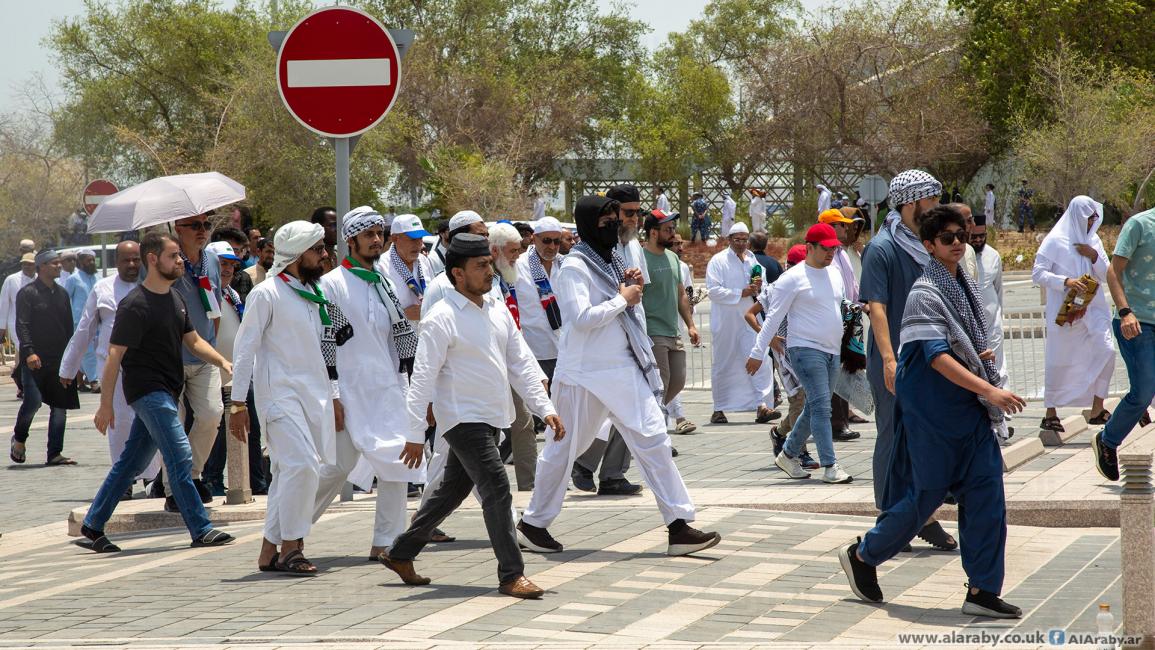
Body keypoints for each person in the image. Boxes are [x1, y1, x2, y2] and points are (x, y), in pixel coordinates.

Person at [839, 205, 1025, 619]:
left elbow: (957, 344)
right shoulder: (925, 292)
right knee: (924, 497)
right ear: (929, 245)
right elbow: (936, 357)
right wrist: (991, 391)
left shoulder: (964, 285)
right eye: (947, 238)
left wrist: (979, 358)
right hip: (933, 410)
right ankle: (863, 554)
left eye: (961, 235)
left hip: (966, 407)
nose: (958, 242)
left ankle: (982, 589)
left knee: (987, 493)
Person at [518, 195, 721, 558]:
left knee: (654, 439)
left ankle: (679, 525)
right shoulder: (575, 267)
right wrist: (622, 298)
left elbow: (623, 307)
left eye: (617, 217)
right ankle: (533, 525)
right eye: (607, 219)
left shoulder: (611, 260)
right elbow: (580, 318)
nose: (615, 224)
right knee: (562, 449)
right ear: (588, 224)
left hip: (623, 368)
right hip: (584, 373)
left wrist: (628, 287)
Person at [380, 233, 561, 599]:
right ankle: (511, 574)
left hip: (494, 416)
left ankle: (400, 552)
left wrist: (546, 408)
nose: (489, 271)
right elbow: (423, 379)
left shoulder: (496, 310)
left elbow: (521, 363)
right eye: (480, 266)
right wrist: (415, 434)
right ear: (457, 274)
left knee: (453, 491)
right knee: (496, 488)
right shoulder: (440, 317)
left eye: (489, 264)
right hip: (462, 419)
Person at [78, 232, 237, 553]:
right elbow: (113, 355)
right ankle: (201, 527)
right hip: (149, 393)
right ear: (153, 259)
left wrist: (222, 360)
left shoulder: (174, 299)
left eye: (180, 256)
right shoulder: (134, 304)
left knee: (131, 463)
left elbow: (192, 341)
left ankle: (93, 525)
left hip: (167, 388)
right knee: (180, 456)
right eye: (173, 256)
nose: (180, 261)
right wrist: (105, 405)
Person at [313, 207, 424, 560]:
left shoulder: (385, 283)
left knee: (398, 463)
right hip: (347, 391)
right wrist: (332, 396)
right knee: (336, 467)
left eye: (380, 233)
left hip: (387, 390)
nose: (376, 240)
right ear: (351, 241)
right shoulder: (331, 285)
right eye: (369, 235)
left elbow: (398, 338)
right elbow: (326, 343)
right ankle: (287, 532)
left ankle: (387, 542)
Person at [231, 221, 341, 574]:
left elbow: (328, 354)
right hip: (278, 397)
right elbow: (244, 350)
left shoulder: (315, 295)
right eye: (318, 249)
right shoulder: (267, 294)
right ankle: (292, 547)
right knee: (302, 466)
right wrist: (236, 404)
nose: (324, 256)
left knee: (286, 474)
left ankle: (268, 551)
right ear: (296, 255)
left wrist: (335, 396)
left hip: (313, 398)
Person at [860, 169, 958, 551]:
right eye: (931, 201)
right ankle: (890, 515)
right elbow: (877, 307)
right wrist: (888, 359)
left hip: (928, 355)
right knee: (893, 434)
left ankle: (921, 512)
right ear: (912, 203)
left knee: (925, 435)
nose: (936, 208)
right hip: (895, 358)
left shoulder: (927, 246)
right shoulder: (882, 248)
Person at [747, 224, 852, 484]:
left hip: (832, 350)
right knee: (822, 408)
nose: (831, 253)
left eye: (834, 248)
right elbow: (772, 318)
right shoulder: (792, 277)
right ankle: (830, 465)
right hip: (804, 349)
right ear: (810, 248)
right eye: (826, 248)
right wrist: (757, 351)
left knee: (815, 406)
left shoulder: (835, 274)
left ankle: (788, 453)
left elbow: (839, 307)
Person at [60, 242, 161, 487]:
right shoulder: (103, 288)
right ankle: (123, 481)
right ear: (116, 261)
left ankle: (154, 478)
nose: (132, 265)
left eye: (136, 259)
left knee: (153, 422)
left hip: (149, 369)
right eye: (126, 260)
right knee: (119, 424)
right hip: (114, 369)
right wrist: (68, 368)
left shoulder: (154, 286)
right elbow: (85, 330)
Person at [572, 185, 647, 496]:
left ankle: (609, 471)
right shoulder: (580, 261)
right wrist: (622, 298)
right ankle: (584, 465)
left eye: (634, 214)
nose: (630, 220)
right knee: (575, 436)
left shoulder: (631, 247)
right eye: (625, 214)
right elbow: (584, 315)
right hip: (596, 358)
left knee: (638, 421)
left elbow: (636, 296)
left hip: (631, 344)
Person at [1032, 196, 1114, 433]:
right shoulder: (1055, 241)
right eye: (1087, 220)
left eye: (1093, 220)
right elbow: (1038, 273)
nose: (1090, 225)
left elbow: (1106, 272)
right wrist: (1066, 281)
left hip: (1094, 306)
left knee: (1106, 350)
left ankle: (1097, 408)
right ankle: (1051, 413)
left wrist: (1093, 256)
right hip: (1065, 310)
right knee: (1060, 359)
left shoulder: (1094, 241)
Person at [200, 241, 267, 498]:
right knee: (218, 432)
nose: (227, 269)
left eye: (231, 265)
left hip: (239, 372)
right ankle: (212, 480)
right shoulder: (206, 292)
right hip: (215, 372)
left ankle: (256, 481)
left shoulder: (231, 294)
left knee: (251, 428)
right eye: (222, 264)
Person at [747, 244, 819, 471]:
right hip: (784, 355)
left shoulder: (813, 284)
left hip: (807, 349)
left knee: (808, 402)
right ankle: (799, 451)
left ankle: (779, 433)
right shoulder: (778, 287)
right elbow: (749, 314)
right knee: (800, 401)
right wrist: (768, 339)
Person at [169, 214, 224, 508]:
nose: (203, 231)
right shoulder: (166, 258)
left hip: (204, 356)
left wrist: (210, 344)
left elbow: (214, 308)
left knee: (212, 415)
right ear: (178, 229)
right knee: (173, 425)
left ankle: (191, 474)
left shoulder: (212, 261)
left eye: (206, 225)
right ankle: (171, 489)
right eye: (195, 226)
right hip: (171, 358)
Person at [1098, 206, 1155, 480]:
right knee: (1143, 391)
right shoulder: (1140, 224)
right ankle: (1108, 440)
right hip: (1137, 321)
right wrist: (1124, 312)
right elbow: (1113, 271)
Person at [9, 250, 79, 466]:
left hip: (60, 358)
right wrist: (29, 352)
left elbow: (69, 327)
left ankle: (55, 453)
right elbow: (22, 324)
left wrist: (73, 358)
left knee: (60, 406)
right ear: (41, 267)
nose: (59, 266)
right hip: (35, 360)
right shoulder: (27, 293)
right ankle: (19, 438)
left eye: (59, 263)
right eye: (53, 263)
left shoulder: (62, 294)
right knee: (33, 401)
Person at [705, 222, 775, 424]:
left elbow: (765, 289)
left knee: (760, 358)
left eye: (745, 240)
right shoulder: (718, 261)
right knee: (724, 363)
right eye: (738, 240)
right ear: (729, 240)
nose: (742, 244)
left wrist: (759, 287)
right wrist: (740, 293)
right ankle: (719, 408)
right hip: (726, 322)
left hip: (750, 319)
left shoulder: (752, 260)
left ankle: (762, 405)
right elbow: (713, 291)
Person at [641, 209, 701, 440]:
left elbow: (681, 295)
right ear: (653, 233)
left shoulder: (673, 258)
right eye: (668, 230)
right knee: (662, 382)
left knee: (678, 380)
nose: (673, 233)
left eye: (673, 228)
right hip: (651, 332)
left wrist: (691, 325)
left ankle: (646, 418)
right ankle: (658, 436)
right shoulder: (640, 257)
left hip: (672, 331)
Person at [818, 209, 862, 442]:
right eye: (842, 226)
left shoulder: (842, 254)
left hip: (847, 321)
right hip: (832, 321)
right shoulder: (824, 257)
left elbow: (853, 288)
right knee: (833, 374)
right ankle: (836, 424)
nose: (847, 229)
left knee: (845, 371)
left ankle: (843, 419)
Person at [515, 217, 565, 386]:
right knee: (541, 410)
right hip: (535, 352)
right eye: (546, 240)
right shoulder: (518, 266)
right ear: (534, 238)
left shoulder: (566, 265)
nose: (552, 246)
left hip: (566, 351)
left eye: (556, 241)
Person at [968, 215, 1006, 385]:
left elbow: (998, 290)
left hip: (992, 323)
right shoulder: (960, 256)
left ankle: (1003, 407)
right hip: (969, 324)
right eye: (973, 237)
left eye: (981, 236)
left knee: (997, 366)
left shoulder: (993, 255)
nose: (978, 240)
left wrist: (999, 317)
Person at [667, 233, 698, 434]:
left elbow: (686, 295)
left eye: (680, 243)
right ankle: (679, 417)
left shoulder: (683, 267)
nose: (679, 246)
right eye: (675, 243)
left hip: (676, 326)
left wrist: (690, 324)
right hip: (656, 328)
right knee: (665, 374)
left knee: (675, 375)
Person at [383, 214, 434, 327]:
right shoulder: (381, 267)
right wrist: (403, 315)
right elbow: (374, 314)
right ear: (395, 238)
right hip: (397, 340)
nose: (418, 244)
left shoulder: (424, 261)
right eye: (412, 239)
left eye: (420, 238)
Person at [64, 249, 100, 391]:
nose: (91, 262)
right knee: (88, 351)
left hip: (97, 320)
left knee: (96, 351)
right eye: (88, 260)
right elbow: (65, 301)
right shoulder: (73, 279)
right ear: (81, 261)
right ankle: (94, 380)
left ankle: (83, 380)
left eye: (92, 260)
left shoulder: (97, 278)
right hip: (79, 321)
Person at [0, 253, 36, 355]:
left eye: (30, 264)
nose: (26, 266)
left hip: (37, 325)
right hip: (16, 325)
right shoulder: (11, 280)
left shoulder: (39, 279)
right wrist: (1, 328)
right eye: (24, 263)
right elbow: (3, 304)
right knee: (26, 353)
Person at [213, 227, 254, 301]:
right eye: (234, 250)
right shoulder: (201, 288)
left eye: (241, 251)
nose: (240, 255)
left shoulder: (245, 278)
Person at [310, 206, 339, 272]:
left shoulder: (341, 256)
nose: (339, 229)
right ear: (318, 227)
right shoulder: (312, 261)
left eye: (340, 225)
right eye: (334, 225)